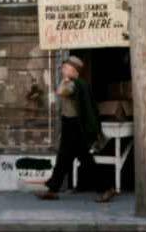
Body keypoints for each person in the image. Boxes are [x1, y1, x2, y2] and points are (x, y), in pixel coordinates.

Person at [37, 56, 116, 203]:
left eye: (66, 68)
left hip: (75, 127)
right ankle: (53, 190)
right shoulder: (76, 83)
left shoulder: (74, 85)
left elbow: (60, 92)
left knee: (84, 160)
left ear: (74, 71)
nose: (63, 70)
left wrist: (65, 80)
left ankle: (106, 188)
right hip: (70, 125)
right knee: (63, 158)